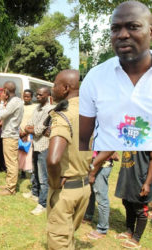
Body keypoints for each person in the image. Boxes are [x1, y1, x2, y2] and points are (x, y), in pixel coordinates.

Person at [79, 1, 152, 151]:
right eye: (115, 29)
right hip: (106, 167)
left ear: (150, 32)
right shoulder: (95, 77)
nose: (123, 35)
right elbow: (82, 140)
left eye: (133, 27)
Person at [46, 70, 92, 249]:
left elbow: (53, 160)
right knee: (69, 236)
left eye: (55, 84)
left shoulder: (63, 114)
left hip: (66, 191)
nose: (53, 88)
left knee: (59, 242)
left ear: (65, 88)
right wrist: (93, 168)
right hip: (84, 188)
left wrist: (54, 183)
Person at [114, 151, 152, 249]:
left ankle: (136, 239)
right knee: (127, 202)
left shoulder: (148, 136)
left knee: (140, 209)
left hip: (142, 178)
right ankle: (129, 231)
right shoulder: (129, 135)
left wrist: (147, 183)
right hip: (128, 174)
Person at [24, 87, 53, 215]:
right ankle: (35, 193)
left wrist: (33, 129)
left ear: (47, 95)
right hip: (35, 144)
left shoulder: (49, 110)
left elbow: (38, 129)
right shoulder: (37, 108)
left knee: (43, 176)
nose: (38, 96)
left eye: (41, 95)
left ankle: (43, 203)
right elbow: (28, 125)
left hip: (44, 146)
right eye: (37, 94)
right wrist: (31, 128)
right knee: (35, 171)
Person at [0, 81, 24, 195]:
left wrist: (2, 101)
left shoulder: (14, 102)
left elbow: (1, 115)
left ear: (6, 90)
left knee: (11, 162)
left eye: (3, 90)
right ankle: (9, 184)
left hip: (10, 135)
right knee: (9, 161)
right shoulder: (14, 101)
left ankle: (10, 189)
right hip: (9, 134)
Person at [19, 89, 37, 179]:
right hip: (19, 133)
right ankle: (21, 171)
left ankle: (30, 170)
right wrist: (20, 132)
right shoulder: (20, 106)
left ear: (31, 97)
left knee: (29, 153)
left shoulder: (35, 107)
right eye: (24, 96)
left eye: (28, 96)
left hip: (29, 133)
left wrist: (26, 133)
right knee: (20, 152)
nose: (26, 98)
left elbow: (34, 121)